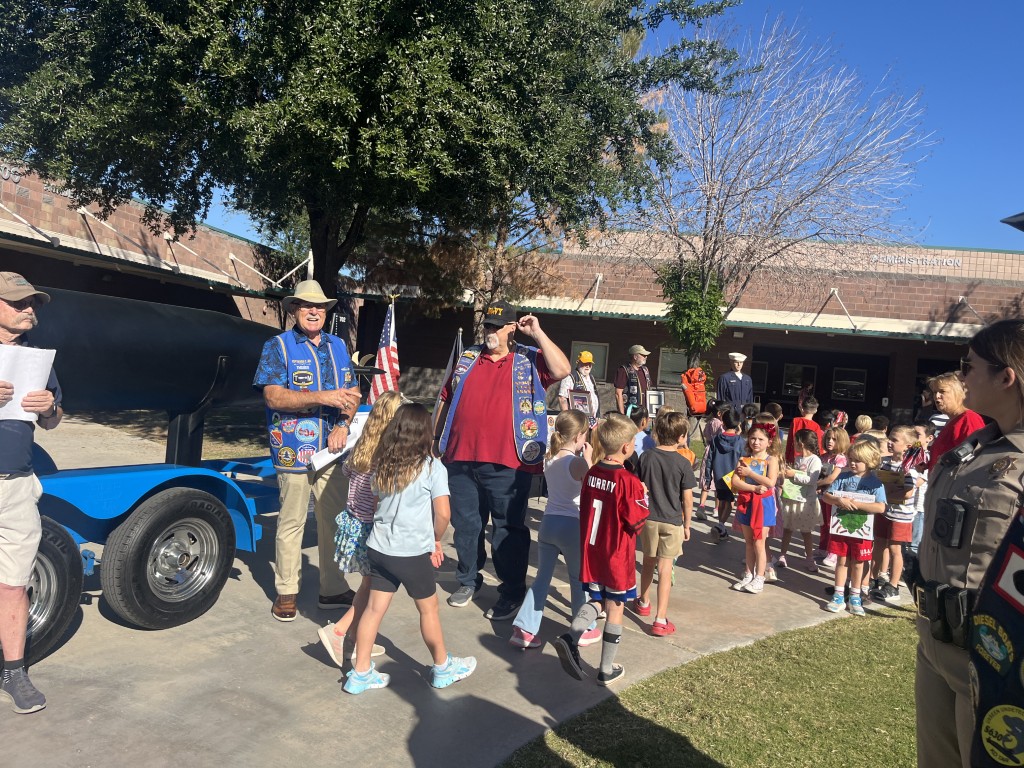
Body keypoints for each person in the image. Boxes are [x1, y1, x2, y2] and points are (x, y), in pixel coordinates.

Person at [910, 320, 1024, 768]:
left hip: (994, 658)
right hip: (935, 642)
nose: (961, 379)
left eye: (968, 367)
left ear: (1006, 376)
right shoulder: (973, 444)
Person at [434, 300, 570, 619]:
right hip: (460, 457)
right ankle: (468, 579)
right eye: (487, 326)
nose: (490, 332)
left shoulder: (527, 359)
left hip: (510, 462)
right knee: (467, 526)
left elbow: (563, 370)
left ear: (512, 329)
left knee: (507, 528)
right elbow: (445, 397)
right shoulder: (468, 357)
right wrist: (433, 438)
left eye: (497, 326)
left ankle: (511, 591)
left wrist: (537, 333)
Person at [345, 403, 476, 694]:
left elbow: (378, 505)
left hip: (379, 549)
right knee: (428, 610)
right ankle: (442, 667)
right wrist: (435, 540)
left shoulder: (383, 465)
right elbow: (443, 514)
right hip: (412, 553)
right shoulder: (432, 468)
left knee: (373, 610)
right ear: (425, 434)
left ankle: (360, 673)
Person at [253, 280, 363, 621]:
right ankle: (286, 592)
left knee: (333, 520)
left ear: (327, 312)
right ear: (294, 310)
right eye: (305, 306)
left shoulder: (338, 346)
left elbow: (354, 392)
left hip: (333, 449)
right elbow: (273, 396)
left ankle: (333, 588)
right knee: (291, 522)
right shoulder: (278, 346)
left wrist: (343, 425)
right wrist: (322, 397)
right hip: (292, 449)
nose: (313, 311)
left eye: (319, 307)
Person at [0, 273, 62, 714]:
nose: (29, 309)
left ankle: (15, 671)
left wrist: (50, 409)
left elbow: (54, 421)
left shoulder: (38, 361)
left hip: (17, 485)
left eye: (32, 303)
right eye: (18, 302)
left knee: (14, 584)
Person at [553, 414, 649, 686]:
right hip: (616, 555)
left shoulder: (591, 472)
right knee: (616, 606)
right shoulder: (628, 480)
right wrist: (643, 494)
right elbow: (637, 520)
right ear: (627, 447)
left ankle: (571, 636)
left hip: (592, 553)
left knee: (597, 600)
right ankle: (606, 668)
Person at [317, 391, 404, 666]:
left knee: (369, 586)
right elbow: (382, 499)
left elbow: (346, 473)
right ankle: (340, 631)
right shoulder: (386, 457)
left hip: (353, 523)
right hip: (371, 529)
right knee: (371, 588)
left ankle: (356, 637)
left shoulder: (362, 447)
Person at [509, 410, 600, 649]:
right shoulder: (578, 462)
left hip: (549, 523)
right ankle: (584, 627)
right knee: (578, 579)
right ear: (580, 436)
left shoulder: (549, 459)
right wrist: (589, 459)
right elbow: (593, 487)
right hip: (572, 524)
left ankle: (525, 629)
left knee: (542, 579)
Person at [634, 410, 695, 635]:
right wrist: (687, 524)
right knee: (665, 568)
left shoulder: (646, 457)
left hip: (648, 519)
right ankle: (660, 619)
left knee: (648, 561)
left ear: (658, 432)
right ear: (681, 437)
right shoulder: (683, 462)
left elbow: (638, 486)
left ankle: (643, 602)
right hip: (672, 521)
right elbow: (687, 498)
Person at [821, 440, 886, 616]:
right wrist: (837, 500)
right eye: (851, 459)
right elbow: (826, 495)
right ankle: (839, 595)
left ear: (870, 461)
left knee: (858, 563)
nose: (852, 463)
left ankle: (855, 596)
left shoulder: (876, 483)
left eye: (857, 460)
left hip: (862, 531)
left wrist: (857, 504)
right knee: (841, 561)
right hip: (841, 528)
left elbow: (881, 507)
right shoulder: (842, 477)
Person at [869, 425, 922, 604]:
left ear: (908, 446)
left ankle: (893, 585)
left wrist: (887, 495)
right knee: (878, 545)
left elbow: (907, 493)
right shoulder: (883, 462)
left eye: (895, 440)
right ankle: (875, 578)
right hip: (883, 512)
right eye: (889, 439)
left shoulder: (909, 468)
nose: (890, 443)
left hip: (900, 515)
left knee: (895, 549)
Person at [730, 423, 781, 594]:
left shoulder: (771, 460)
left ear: (769, 442)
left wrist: (750, 474)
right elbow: (735, 481)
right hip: (746, 501)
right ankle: (748, 574)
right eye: (753, 438)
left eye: (760, 439)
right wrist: (752, 488)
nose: (756, 442)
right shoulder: (743, 459)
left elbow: (771, 482)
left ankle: (760, 577)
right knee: (749, 542)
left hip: (764, 505)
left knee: (760, 541)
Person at [776, 429, 823, 573]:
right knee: (787, 528)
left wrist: (794, 474)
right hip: (793, 499)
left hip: (806, 502)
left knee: (806, 531)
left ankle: (809, 558)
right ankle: (782, 555)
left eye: (795, 442)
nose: (793, 445)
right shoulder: (798, 459)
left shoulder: (815, 460)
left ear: (801, 443)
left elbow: (812, 480)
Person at [926, 371, 986, 470]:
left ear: (959, 392)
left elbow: (973, 461)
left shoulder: (968, 419)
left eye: (942, 391)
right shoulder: (951, 420)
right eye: (935, 392)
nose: (937, 396)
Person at [703, 407, 746, 543]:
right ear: (738, 423)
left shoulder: (716, 440)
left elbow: (709, 459)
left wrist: (708, 478)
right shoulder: (740, 442)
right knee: (730, 502)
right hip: (733, 478)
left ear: (723, 422)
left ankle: (721, 526)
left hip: (719, 476)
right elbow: (745, 461)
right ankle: (721, 526)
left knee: (722, 501)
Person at [815, 426, 851, 567]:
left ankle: (834, 552)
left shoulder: (840, 459)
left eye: (834, 439)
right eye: (828, 438)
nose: (830, 441)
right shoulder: (824, 457)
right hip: (823, 495)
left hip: (835, 496)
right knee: (823, 523)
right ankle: (823, 547)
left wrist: (816, 484)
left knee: (833, 524)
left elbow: (831, 478)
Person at [558, 350, 600, 425]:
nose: (587, 366)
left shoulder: (591, 378)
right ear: (578, 362)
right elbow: (562, 398)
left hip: (592, 420)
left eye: (589, 363)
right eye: (585, 363)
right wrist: (567, 419)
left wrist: (597, 416)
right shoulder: (570, 377)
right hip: (577, 421)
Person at [613, 345, 652, 415]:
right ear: (635, 357)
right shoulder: (624, 370)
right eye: (643, 355)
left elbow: (648, 392)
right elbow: (618, 394)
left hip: (643, 413)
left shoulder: (645, 370)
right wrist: (622, 415)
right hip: (630, 413)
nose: (646, 357)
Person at [785, 396, 824, 465]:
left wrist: (787, 456)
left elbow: (790, 440)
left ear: (802, 409)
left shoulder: (795, 421)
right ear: (816, 410)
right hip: (809, 457)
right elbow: (818, 444)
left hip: (794, 456)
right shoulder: (816, 426)